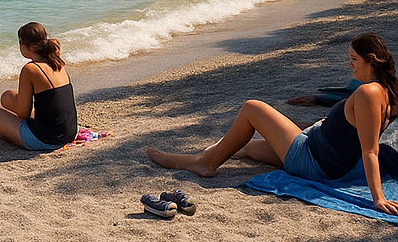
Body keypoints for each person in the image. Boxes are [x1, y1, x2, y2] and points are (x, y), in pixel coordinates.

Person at [146, 33, 398, 214]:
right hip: (317, 146)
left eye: (354, 59)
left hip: (310, 158)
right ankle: (213, 152)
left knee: (252, 108)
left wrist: (378, 198)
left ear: (371, 60)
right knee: (248, 149)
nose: (349, 64)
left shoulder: (369, 93)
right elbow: (352, 129)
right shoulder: (389, 91)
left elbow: (370, 150)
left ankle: (205, 163)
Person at [0, 22, 78, 151]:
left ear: (23, 44)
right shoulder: (57, 62)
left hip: (45, 138)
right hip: (69, 132)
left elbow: (23, 113)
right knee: (8, 96)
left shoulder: (31, 68)